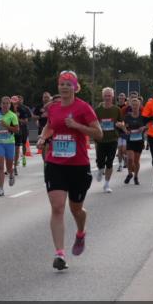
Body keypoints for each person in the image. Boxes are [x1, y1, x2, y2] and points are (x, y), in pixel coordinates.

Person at [35, 70, 102, 270]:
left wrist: (76, 126)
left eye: (68, 84)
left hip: (78, 165)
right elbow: (49, 126)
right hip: (55, 163)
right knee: (57, 207)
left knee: (76, 209)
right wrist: (42, 137)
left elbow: (98, 133)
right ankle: (60, 254)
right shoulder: (54, 108)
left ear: (75, 87)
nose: (64, 87)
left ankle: (81, 232)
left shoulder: (84, 108)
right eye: (62, 83)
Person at [92, 87, 122, 193]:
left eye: (109, 95)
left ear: (113, 96)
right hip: (101, 139)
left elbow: (121, 122)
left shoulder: (116, 109)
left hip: (113, 139)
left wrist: (120, 125)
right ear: (102, 96)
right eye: (106, 95)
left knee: (109, 162)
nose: (107, 97)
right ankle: (100, 169)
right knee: (100, 161)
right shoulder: (97, 110)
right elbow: (92, 123)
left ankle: (107, 184)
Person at [0, 96, 20, 196]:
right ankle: (1, 189)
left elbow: (17, 130)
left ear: (10, 105)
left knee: (8, 168)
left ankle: (11, 174)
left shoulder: (12, 115)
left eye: (7, 103)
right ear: (1, 104)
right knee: (0, 167)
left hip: (9, 143)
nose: (5, 105)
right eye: (3, 103)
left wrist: (6, 125)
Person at [122, 96, 145, 185]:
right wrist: (125, 130)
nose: (135, 107)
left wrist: (143, 128)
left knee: (136, 160)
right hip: (130, 140)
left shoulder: (142, 116)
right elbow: (123, 124)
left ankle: (136, 176)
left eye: (136, 105)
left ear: (139, 106)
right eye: (133, 105)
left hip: (139, 140)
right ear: (131, 106)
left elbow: (147, 125)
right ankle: (129, 174)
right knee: (130, 159)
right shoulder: (127, 116)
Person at [13, 95, 32, 170]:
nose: (19, 101)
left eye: (20, 100)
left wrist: (18, 119)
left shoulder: (25, 108)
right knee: (16, 145)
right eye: (17, 100)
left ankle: (24, 157)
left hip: (23, 129)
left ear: (23, 100)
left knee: (24, 143)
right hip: (15, 130)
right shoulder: (11, 109)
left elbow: (28, 119)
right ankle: (16, 160)